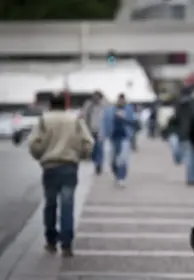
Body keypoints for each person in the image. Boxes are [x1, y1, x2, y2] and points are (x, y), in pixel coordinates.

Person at [28, 93, 94, 257]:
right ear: (65, 104)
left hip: (50, 166)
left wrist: (40, 155)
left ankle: (51, 241)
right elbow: (88, 142)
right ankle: (67, 244)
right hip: (69, 165)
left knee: (50, 204)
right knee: (68, 205)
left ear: (50, 105)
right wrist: (82, 155)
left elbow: (33, 143)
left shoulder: (44, 120)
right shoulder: (74, 120)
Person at [101, 93, 138, 188]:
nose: (121, 102)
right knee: (112, 160)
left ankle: (121, 178)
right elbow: (104, 122)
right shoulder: (109, 110)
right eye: (120, 100)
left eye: (123, 100)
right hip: (113, 137)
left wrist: (124, 117)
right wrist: (103, 134)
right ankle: (116, 174)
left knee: (123, 159)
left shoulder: (129, 110)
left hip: (125, 137)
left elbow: (134, 122)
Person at [82, 90, 106, 175]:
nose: (96, 99)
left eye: (98, 97)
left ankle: (99, 165)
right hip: (90, 130)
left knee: (99, 148)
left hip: (100, 131)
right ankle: (96, 161)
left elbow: (106, 118)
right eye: (94, 97)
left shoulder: (103, 106)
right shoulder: (88, 105)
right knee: (92, 149)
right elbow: (83, 116)